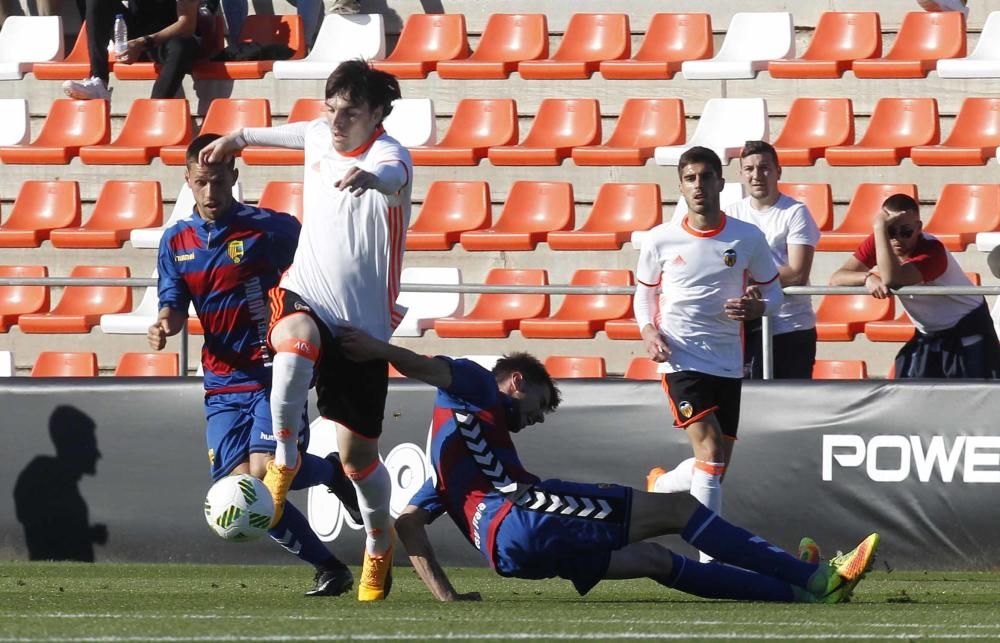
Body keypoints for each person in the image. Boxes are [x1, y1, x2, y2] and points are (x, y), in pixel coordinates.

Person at [336, 326, 880, 604]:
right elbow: (421, 365)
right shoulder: (476, 381)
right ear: (518, 381)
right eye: (541, 404)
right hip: (529, 513)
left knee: (653, 561)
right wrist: (372, 347)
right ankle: (815, 575)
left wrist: (448, 597)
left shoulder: (446, 462)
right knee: (680, 511)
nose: (537, 418)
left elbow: (407, 524)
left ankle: (797, 592)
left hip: (507, 555)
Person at [200, 59, 411, 601]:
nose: (337, 122)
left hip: (361, 328)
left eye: (352, 112)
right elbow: (294, 132)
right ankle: (287, 457)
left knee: (358, 461)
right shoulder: (321, 133)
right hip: (307, 294)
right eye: (332, 108)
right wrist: (237, 138)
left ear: (378, 114)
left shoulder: (389, 155)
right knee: (293, 338)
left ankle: (379, 544)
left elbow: (393, 175)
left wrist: (370, 177)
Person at [147, 134, 362, 597]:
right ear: (188, 180)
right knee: (236, 491)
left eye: (219, 181)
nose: (210, 192)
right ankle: (330, 561)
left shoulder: (270, 229)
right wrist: (164, 322)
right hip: (222, 381)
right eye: (201, 182)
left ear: (234, 179)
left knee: (265, 476)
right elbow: (173, 302)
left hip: (272, 372)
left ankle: (328, 484)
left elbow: (321, 262)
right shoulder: (176, 241)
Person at [636, 146, 783, 562]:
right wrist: (649, 332)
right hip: (680, 358)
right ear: (680, 185)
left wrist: (759, 308)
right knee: (712, 454)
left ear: (721, 181)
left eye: (706, 177)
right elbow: (643, 297)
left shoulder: (747, 237)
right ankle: (711, 561)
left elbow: (774, 294)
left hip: (727, 361)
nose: (698, 185)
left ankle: (663, 487)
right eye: (690, 178)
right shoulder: (660, 239)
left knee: (715, 466)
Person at [829, 193, 1000, 379]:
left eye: (906, 232)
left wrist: (879, 228)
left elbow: (892, 279)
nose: (897, 239)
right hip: (929, 333)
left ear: (918, 227)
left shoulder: (932, 251)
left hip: (967, 330)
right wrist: (866, 277)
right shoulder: (880, 242)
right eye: (890, 231)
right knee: (912, 393)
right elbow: (837, 278)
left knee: (973, 399)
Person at [726, 140, 820, 379]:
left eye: (764, 167)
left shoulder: (795, 212)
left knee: (789, 408)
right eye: (749, 169)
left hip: (790, 327)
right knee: (748, 405)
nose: (756, 175)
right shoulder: (733, 213)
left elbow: (798, 272)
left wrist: (751, 282)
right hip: (747, 326)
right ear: (741, 174)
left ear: (778, 171)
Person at [63, 0, 204, 101]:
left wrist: (143, 43)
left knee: (182, 46)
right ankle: (99, 80)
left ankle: (155, 108)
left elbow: (187, 25)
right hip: (137, 35)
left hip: (169, 38)